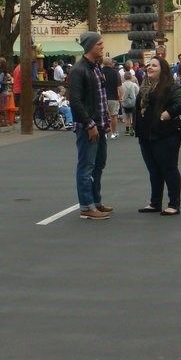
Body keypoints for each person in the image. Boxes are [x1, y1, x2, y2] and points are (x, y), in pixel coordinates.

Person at [68, 32, 114, 220]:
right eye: (99, 44)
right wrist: (89, 123)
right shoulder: (79, 70)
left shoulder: (96, 68)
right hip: (88, 126)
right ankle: (87, 206)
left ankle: (95, 201)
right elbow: (76, 101)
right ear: (90, 47)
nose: (102, 47)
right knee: (86, 166)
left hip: (100, 124)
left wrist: (106, 120)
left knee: (98, 165)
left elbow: (101, 98)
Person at [134, 56, 181, 216]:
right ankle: (155, 202)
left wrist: (167, 113)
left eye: (154, 66)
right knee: (153, 170)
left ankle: (173, 204)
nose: (149, 68)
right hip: (146, 135)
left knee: (169, 169)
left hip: (166, 135)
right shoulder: (144, 86)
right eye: (148, 65)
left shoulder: (171, 87)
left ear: (162, 69)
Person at [101, 56, 123, 139]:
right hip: (113, 97)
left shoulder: (100, 71)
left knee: (103, 116)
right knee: (114, 116)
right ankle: (113, 133)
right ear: (111, 63)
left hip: (102, 98)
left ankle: (104, 133)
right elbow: (119, 87)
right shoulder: (115, 73)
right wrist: (120, 97)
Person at [121, 71, 140, 136]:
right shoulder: (134, 84)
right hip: (133, 102)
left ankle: (127, 130)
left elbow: (120, 93)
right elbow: (138, 92)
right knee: (133, 116)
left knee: (127, 116)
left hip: (125, 103)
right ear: (131, 77)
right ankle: (132, 129)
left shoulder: (122, 85)